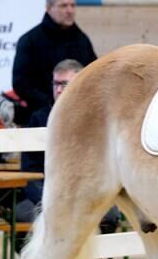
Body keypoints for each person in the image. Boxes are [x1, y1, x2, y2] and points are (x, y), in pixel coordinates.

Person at [16, 59, 119, 231]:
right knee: (24, 214)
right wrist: (50, 202)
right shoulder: (38, 119)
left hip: (90, 195)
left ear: (81, 84)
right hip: (46, 196)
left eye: (64, 84)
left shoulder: (97, 119)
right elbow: (30, 173)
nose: (58, 90)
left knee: (109, 216)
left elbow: (105, 168)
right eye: (55, 84)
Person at [12, 0, 98, 118]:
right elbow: (20, 83)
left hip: (79, 115)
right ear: (48, 8)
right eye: (63, 6)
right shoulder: (30, 41)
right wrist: (50, 104)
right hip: (42, 117)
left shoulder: (82, 40)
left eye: (72, 5)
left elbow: (93, 75)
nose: (70, 11)